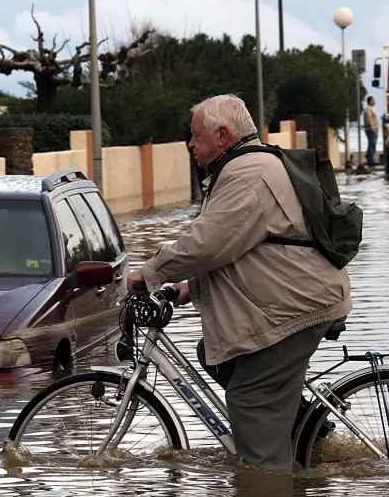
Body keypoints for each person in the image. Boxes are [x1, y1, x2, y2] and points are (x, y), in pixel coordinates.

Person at [128, 94, 353, 473]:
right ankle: (304, 437)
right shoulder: (248, 167)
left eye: (195, 136)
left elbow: (207, 242)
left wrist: (148, 273)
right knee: (215, 352)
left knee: (249, 399)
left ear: (222, 135)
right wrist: (190, 288)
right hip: (294, 299)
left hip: (296, 307)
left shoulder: (248, 174)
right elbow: (243, 252)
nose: (190, 144)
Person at [363, 96, 381, 168]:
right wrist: (371, 126)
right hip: (372, 129)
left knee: (373, 144)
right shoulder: (368, 109)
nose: (375, 102)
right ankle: (371, 160)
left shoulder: (372, 109)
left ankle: (369, 157)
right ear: (370, 101)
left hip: (375, 128)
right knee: (372, 144)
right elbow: (368, 118)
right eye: (373, 100)